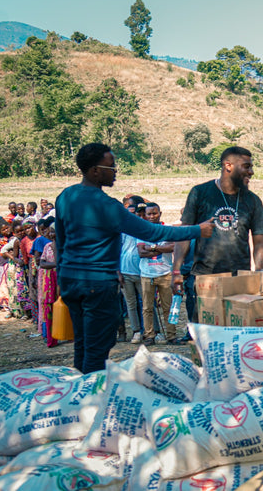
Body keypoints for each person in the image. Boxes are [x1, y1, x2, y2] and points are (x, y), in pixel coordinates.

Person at [56, 143, 212, 374]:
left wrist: (62, 276)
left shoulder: (66, 197)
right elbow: (153, 232)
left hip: (71, 281)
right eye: (110, 166)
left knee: (83, 343)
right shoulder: (106, 205)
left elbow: (60, 241)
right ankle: (93, 397)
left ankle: (82, 392)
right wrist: (197, 230)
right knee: (98, 348)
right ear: (94, 170)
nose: (115, 171)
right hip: (97, 284)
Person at [172, 146, 263, 299]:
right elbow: (184, 234)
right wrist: (176, 270)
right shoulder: (200, 193)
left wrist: (259, 271)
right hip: (204, 277)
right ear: (228, 166)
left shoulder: (253, 200)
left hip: (239, 280)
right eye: (246, 166)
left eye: (251, 167)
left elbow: (260, 241)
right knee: (200, 323)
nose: (251, 172)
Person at [138, 202, 180, 345]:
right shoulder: (142, 231)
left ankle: (171, 335)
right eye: (149, 214)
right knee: (147, 307)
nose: (152, 216)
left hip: (165, 273)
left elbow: (172, 247)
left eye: (154, 213)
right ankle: (149, 335)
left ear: (160, 214)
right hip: (146, 274)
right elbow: (141, 253)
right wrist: (162, 247)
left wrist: (153, 247)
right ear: (145, 215)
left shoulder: (166, 230)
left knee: (168, 306)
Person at [38, 223, 58, 347]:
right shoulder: (47, 246)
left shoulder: (64, 246)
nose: (51, 234)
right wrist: (56, 265)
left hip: (61, 279)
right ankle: (51, 336)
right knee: (49, 307)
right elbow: (42, 263)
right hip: (50, 279)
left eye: (53, 232)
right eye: (50, 232)